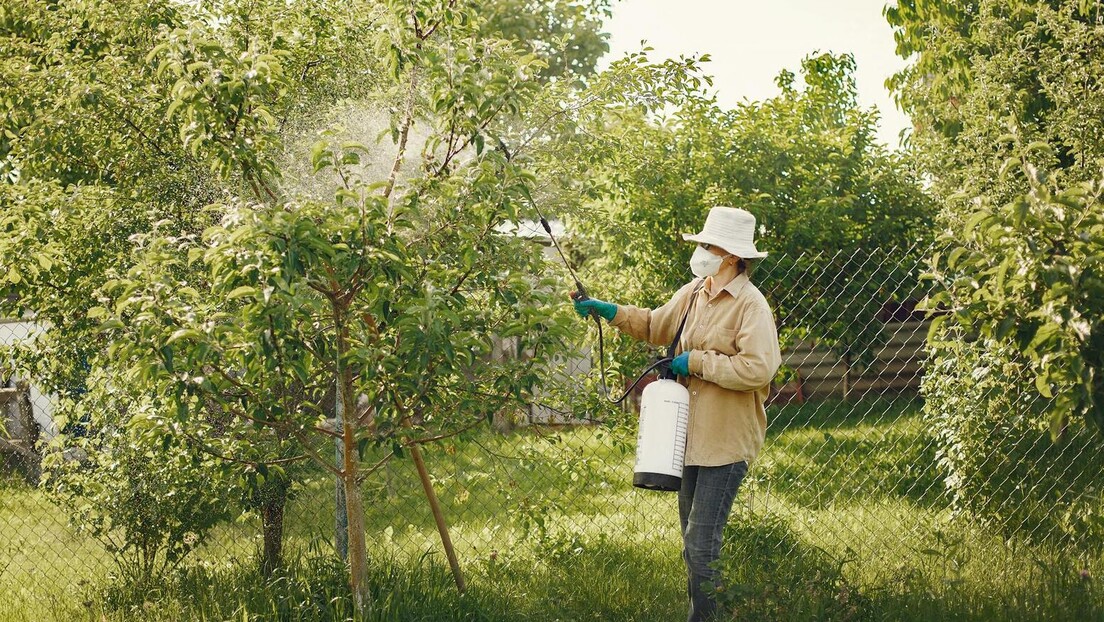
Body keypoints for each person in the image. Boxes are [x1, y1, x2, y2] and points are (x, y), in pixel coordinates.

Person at [572, 206, 781, 622]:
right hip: (689, 439)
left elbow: (759, 368)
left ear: (733, 256)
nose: (702, 251)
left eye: (709, 245)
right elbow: (654, 324)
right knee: (692, 543)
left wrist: (698, 362)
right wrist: (607, 311)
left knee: (702, 542)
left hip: (725, 441)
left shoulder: (751, 306)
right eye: (702, 243)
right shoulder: (693, 293)